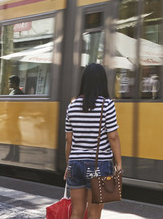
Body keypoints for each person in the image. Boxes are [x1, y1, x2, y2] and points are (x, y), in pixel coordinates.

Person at [63, 63, 122, 219]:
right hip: (99, 164)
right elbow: (113, 137)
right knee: (94, 213)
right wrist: (119, 163)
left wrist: (68, 165)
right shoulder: (107, 105)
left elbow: (68, 140)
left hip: (75, 163)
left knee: (76, 211)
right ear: (102, 81)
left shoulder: (72, 105)